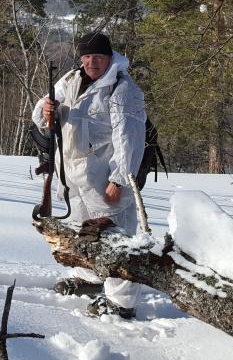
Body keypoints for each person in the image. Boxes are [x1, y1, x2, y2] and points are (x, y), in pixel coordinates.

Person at [31, 31, 148, 319]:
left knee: (117, 235)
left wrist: (119, 179)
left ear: (109, 57)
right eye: (86, 56)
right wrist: (46, 110)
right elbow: (40, 114)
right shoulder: (70, 80)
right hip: (72, 176)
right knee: (80, 229)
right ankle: (90, 279)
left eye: (98, 56)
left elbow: (129, 139)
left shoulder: (122, 89)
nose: (92, 62)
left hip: (103, 177)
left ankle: (122, 303)